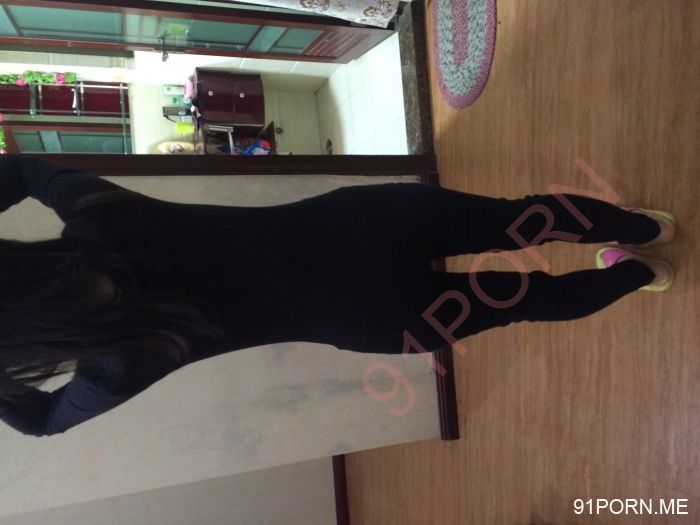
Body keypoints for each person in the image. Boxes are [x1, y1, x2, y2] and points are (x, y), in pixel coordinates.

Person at [0, 157, 675, 437]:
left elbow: (42, 424)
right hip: (368, 224)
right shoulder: (99, 216)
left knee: (530, 300)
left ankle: (639, 274)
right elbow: (24, 171)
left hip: (380, 316)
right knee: (521, 218)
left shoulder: (117, 362)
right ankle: (646, 227)